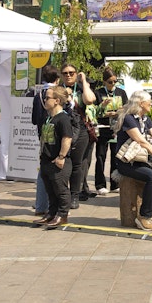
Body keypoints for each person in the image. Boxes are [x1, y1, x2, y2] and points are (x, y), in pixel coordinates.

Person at [114, 90, 152, 231]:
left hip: (143, 160)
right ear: (141, 103)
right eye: (149, 101)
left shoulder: (146, 119)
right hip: (127, 162)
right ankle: (144, 216)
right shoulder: (129, 118)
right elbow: (142, 141)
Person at [35, 85, 74, 230]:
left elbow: (67, 138)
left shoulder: (63, 118)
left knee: (60, 189)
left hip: (58, 160)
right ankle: (52, 213)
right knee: (50, 189)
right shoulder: (48, 117)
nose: (45, 100)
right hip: (46, 160)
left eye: (47, 98)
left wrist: (61, 157)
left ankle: (62, 215)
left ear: (57, 100)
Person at [58, 63, 96, 208]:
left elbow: (90, 100)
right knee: (61, 162)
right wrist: (65, 96)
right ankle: (62, 195)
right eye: (65, 73)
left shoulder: (81, 88)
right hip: (62, 128)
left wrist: (84, 81)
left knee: (77, 163)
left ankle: (75, 195)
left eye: (72, 73)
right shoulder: (59, 89)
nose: (68, 75)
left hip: (80, 128)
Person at [29, 65, 61, 215]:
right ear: (57, 79)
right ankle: (54, 206)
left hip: (42, 135)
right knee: (56, 170)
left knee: (43, 168)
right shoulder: (58, 94)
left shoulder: (37, 95)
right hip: (57, 134)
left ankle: (41, 206)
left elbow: (34, 119)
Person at [93, 68, 129, 195]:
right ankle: (100, 184)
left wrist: (121, 111)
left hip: (117, 128)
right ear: (104, 82)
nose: (113, 84)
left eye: (115, 81)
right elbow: (94, 112)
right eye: (110, 82)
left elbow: (127, 108)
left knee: (116, 156)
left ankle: (115, 183)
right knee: (100, 156)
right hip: (103, 128)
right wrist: (107, 112)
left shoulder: (121, 92)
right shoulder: (98, 93)